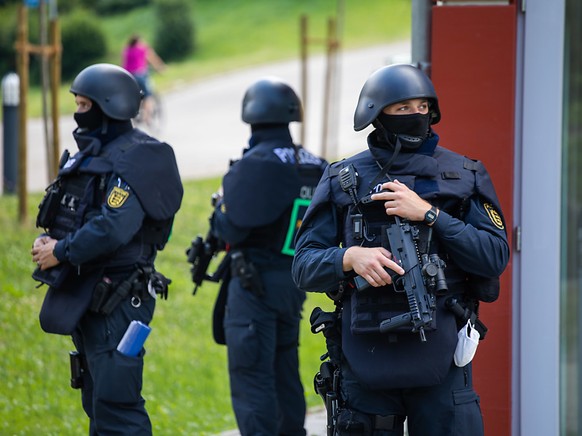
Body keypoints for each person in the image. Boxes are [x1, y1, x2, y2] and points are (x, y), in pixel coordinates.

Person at [292, 64, 510, 435]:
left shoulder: (464, 174)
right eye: (402, 109)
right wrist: (348, 258)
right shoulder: (343, 178)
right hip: (365, 360)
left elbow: (493, 256)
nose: (415, 116)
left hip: (441, 356)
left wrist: (429, 215)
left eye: (421, 107)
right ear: (377, 115)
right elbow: (303, 265)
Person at [31, 63, 183, 435]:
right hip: (88, 293)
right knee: (97, 402)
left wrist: (62, 251)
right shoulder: (97, 154)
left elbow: (113, 227)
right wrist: (49, 242)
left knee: (118, 407)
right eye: (78, 104)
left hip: (119, 299)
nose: (78, 113)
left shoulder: (137, 157)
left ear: (110, 106)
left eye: (85, 105)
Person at [208, 77, 327, 435]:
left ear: (251, 115)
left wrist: (217, 210)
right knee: (284, 370)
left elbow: (232, 228)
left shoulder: (255, 163)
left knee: (252, 379)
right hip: (293, 281)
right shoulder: (314, 163)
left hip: (254, 285)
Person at [122, 34, 166, 125]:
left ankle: (137, 112)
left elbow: (124, 63)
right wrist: (160, 69)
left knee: (137, 95)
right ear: (138, 41)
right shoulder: (142, 48)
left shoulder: (127, 50)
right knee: (148, 96)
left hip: (129, 76)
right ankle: (147, 118)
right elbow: (153, 59)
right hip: (140, 75)